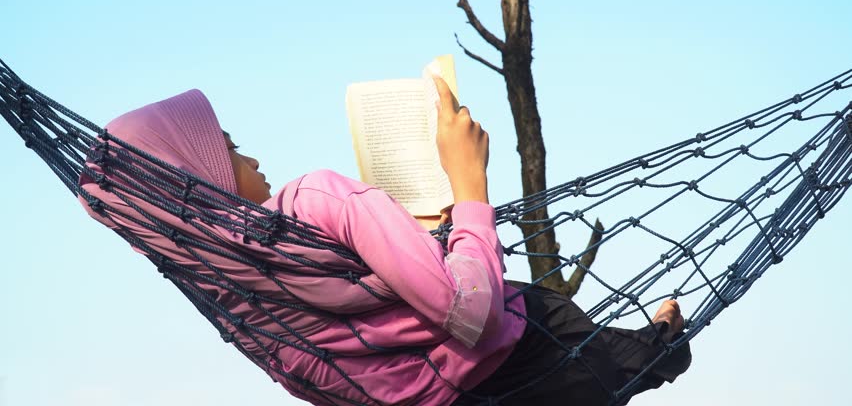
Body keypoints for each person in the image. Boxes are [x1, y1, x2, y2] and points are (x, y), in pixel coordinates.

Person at [78, 78, 690, 405]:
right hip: (518, 354)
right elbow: (472, 313)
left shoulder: (228, 297)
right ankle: (664, 343)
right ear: (196, 170)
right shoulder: (315, 199)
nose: (252, 157)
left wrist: (440, 238)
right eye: (230, 147)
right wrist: (469, 179)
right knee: (627, 360)